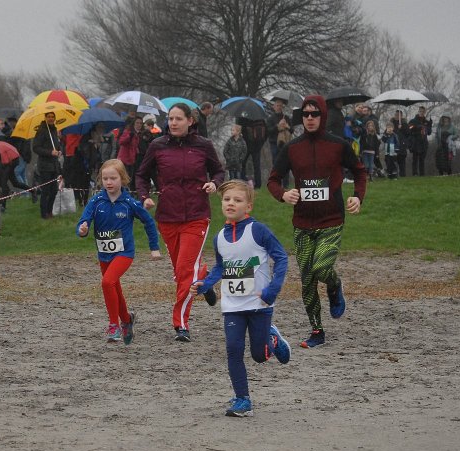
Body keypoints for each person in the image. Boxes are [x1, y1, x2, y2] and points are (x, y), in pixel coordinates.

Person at [267, 95, 367, 349]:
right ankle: (317, 331)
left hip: (331, 220)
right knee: (307, 278)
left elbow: (359, 171)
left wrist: (358, 196)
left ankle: (334, 285)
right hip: (302, 223)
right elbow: (273, 179)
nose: (310, 118)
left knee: (321, 268)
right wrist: (283, 194)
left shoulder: (338, 145)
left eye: (315, 114)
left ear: (323, 116)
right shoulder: (292, 148)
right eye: (305, 114)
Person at [192, 180, 291, 417]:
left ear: (248, 206)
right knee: (233, 350)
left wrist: (272, 290)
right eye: (227, 199)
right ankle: (242, 399)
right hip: (232, 305)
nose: (231, 204)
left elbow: (281, 258)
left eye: (237, 200)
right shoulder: (219, 238)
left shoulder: (258, 230)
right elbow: (221, 267)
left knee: (259, 355)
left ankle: (272, 338)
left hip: (259, 304)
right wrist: (206, 284)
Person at [136, 102, 223, 343]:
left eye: (178, 119)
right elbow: (141, 175)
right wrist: (144, 196)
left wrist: (214, 183)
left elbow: (218, 171)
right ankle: (203, 277)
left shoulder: (203, 145)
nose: (173, 123)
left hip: (197, 215)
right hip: (167, 216)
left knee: (184, 270)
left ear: (190, 121)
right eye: (171, 119)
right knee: (182, 270)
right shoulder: (158, 145)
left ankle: (181, 323)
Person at [76, 159, 161, 344]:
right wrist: (82, 229)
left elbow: (148, 222)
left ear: (122, 179)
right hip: (104, 254)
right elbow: (84, 221)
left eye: (113, 178)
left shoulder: (129, 203)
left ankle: (113, 325)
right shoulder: (96, 201)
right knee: (114, 287)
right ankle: (127, 320)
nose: (109, 182)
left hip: (124, 253)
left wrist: (154, 247)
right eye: (105, 178)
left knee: (107, 282)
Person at [32, 111, 62, 219]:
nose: (50, 118)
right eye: (48, 116)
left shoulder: (54, 130)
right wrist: (50, 152)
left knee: (54, 190)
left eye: (52, 117)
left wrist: (59, 150)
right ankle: (44, 213)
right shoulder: (41, 131)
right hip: (45, 165)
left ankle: (50, 211)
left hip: (54, 165)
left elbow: (56, 145)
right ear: (45, 118)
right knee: (46, 191)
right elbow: (36, 148)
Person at [408, 105, 432, 176]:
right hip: (415, 142)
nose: (421, 113)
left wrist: (430, 125)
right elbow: (409, 128)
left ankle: (422, 174)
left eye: (423, 111)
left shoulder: (426, 122)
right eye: (420, 111)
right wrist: (416, 127)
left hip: (423, 143)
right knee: (415, 159)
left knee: (422, 159)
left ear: (425, 112)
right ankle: (415, 173)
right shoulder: (413, 120)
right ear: (418, 111)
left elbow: (429, 133)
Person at [391, 109, 410, 177]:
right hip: (393, 146)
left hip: (402, 146)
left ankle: (403, 175)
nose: (396, 116)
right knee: (393, 162)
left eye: (398, 115)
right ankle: (394, 175)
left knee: (402, 162)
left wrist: (402, 128)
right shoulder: (391, 124)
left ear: (401, 116)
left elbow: (408, 133)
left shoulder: (404, 124)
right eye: (396, 115)